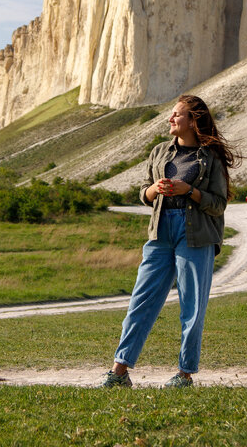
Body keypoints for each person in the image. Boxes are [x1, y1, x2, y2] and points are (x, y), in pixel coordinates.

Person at [101, 94, 237, 389]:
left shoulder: (210, 158)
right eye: (172, 114)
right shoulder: (160, 151)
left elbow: (218, 204)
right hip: (160, 232)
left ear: (193, 120)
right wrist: (155, 189)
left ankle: (185, 374)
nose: (171, 118)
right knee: (141, 301)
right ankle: (119, 371)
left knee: (192, 307)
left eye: (177, 114)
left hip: (197, 235)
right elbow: (143, 193)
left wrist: (189, 190)